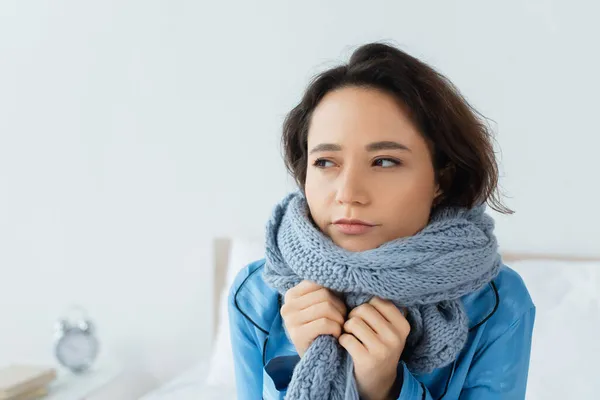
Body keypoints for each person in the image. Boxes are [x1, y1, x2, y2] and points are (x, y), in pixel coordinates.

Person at [228, 42, 535, 400]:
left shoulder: (498, 304)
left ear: (441, 179)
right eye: (326, 162)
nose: (349, 193)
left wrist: (384, 388)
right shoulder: (255, 296)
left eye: (385, 161)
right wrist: (298, 356)